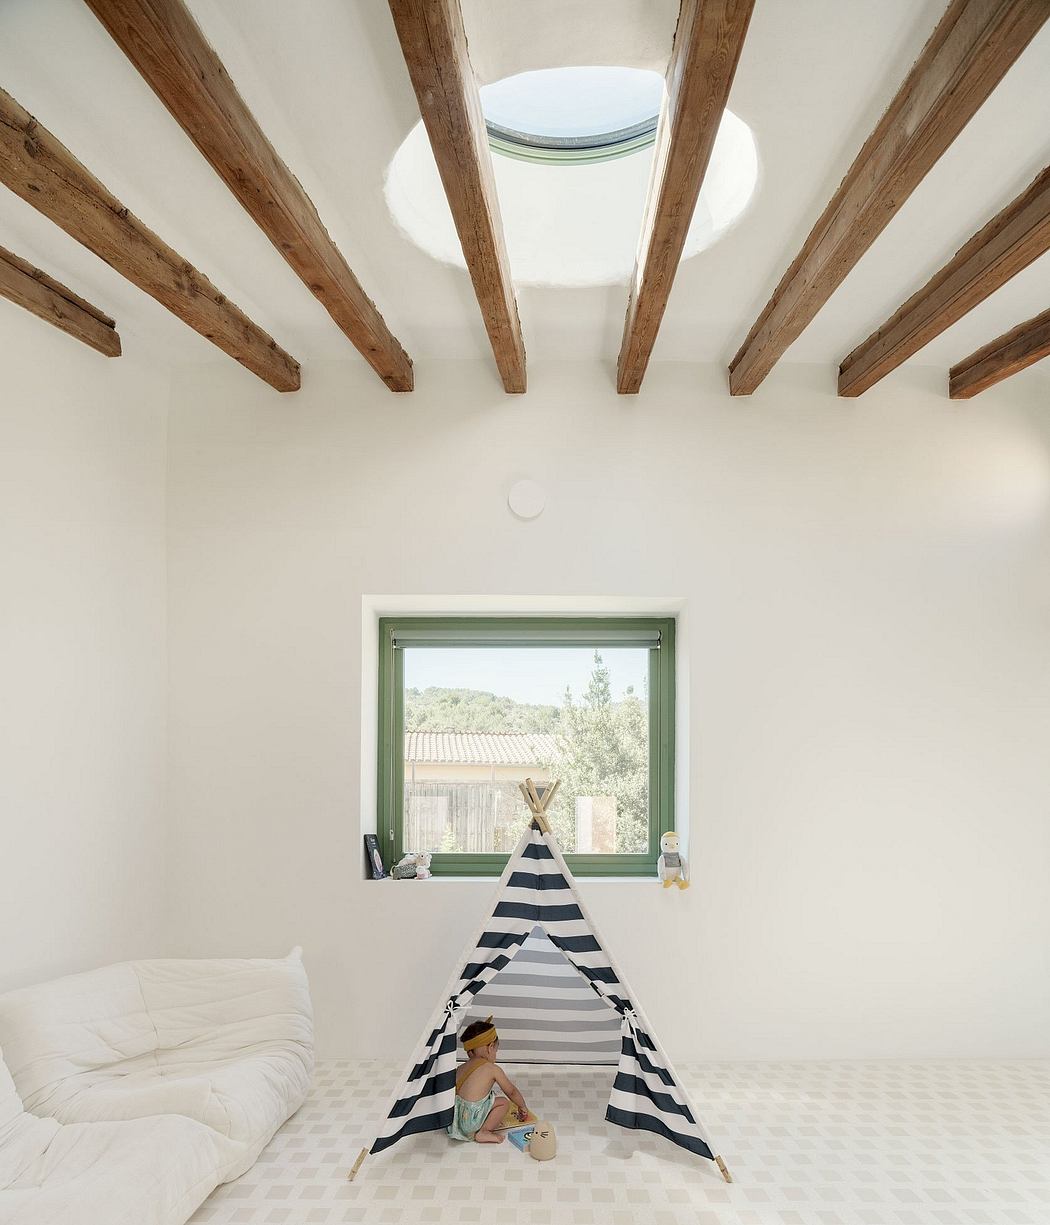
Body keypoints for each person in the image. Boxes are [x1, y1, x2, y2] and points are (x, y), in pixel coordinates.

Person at [447, 1017, 528, 1144]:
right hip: (471, 1122)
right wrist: (522, 1106)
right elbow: (511, 1091)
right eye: (496, 1050)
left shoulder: (461, 1067)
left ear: (469, 1053)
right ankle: (484, 1131)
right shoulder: (492, 1069)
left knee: (485, 1099)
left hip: (454, 1120)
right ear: (490, 1047)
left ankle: (478, 1124)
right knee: (503, 1102)